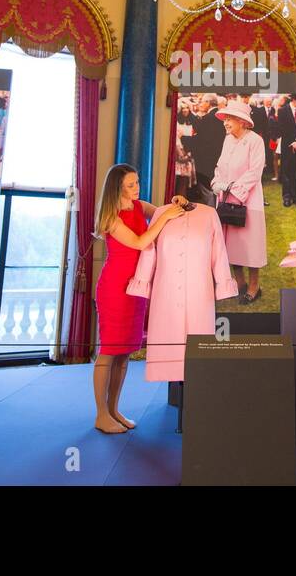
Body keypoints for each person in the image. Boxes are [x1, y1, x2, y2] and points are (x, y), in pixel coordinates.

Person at [93, 164, 187, 433]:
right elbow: (139, 242)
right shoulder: (111, 216)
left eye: (137, 182)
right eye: (131, 185)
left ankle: (113, 410)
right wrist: (164, 217)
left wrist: (174, 204)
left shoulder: (138, 205)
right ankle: (101, 414)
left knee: (123, 354)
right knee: (109, 351)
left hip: (136, 288)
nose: (137, 188)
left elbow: (158, 211)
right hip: (115, 288)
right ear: (118, 188)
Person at [211, 101, 268, 303]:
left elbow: (255, 171)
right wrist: (217, 182)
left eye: (229, 119)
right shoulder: (228, 140)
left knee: (250, 246)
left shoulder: (255, 141)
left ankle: (254, 287)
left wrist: (232, 187)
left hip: (248, 200)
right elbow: (220, 165)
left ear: (242, 121)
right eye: (225, 119)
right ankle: (240, 283)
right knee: (231, 245)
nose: (225, 123)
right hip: (227, 200)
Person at [274, 95, 296, 207]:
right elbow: (282, 129)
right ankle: (287, 196)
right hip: (288, 146)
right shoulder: (282, 111)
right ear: (294, 99)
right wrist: (293, 142)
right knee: (286, 171)